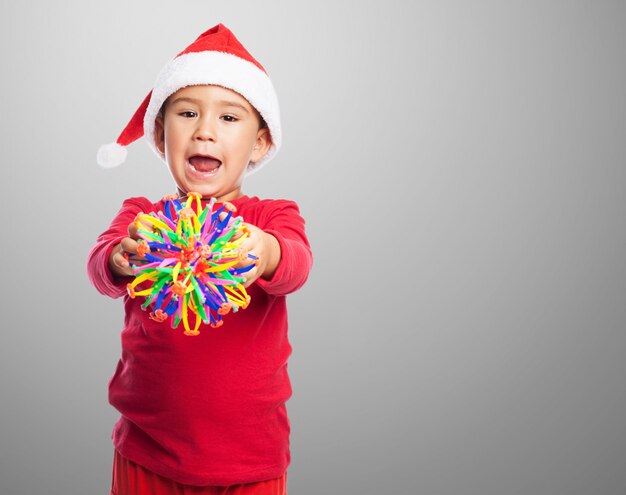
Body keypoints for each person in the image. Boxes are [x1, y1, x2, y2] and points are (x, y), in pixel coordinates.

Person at [87, 24, 312, 494]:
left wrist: (266, 249)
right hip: (147, 450)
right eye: (187, 113)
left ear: (260, 143)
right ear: (161, 135)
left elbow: (295, 265)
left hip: (252, 457)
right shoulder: (142, 216)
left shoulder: (272, 216)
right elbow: (102, 267)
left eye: (229, 119)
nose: (205, 131)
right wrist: (123, 257)